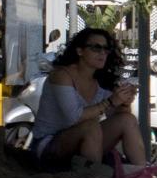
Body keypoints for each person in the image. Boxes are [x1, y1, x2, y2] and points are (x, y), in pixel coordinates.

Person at [29, 28, 146, 167]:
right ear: (80, 51)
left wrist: (125, 102)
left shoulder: (101, 79)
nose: (102, 53)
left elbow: (118, 116)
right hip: (48, 145)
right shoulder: (62, 75)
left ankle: (141, 173)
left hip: (87, 143)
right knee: (90, 126)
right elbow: (74, 117)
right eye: (96, 48)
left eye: (106, 49)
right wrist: (110, 101)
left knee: (127, 120)